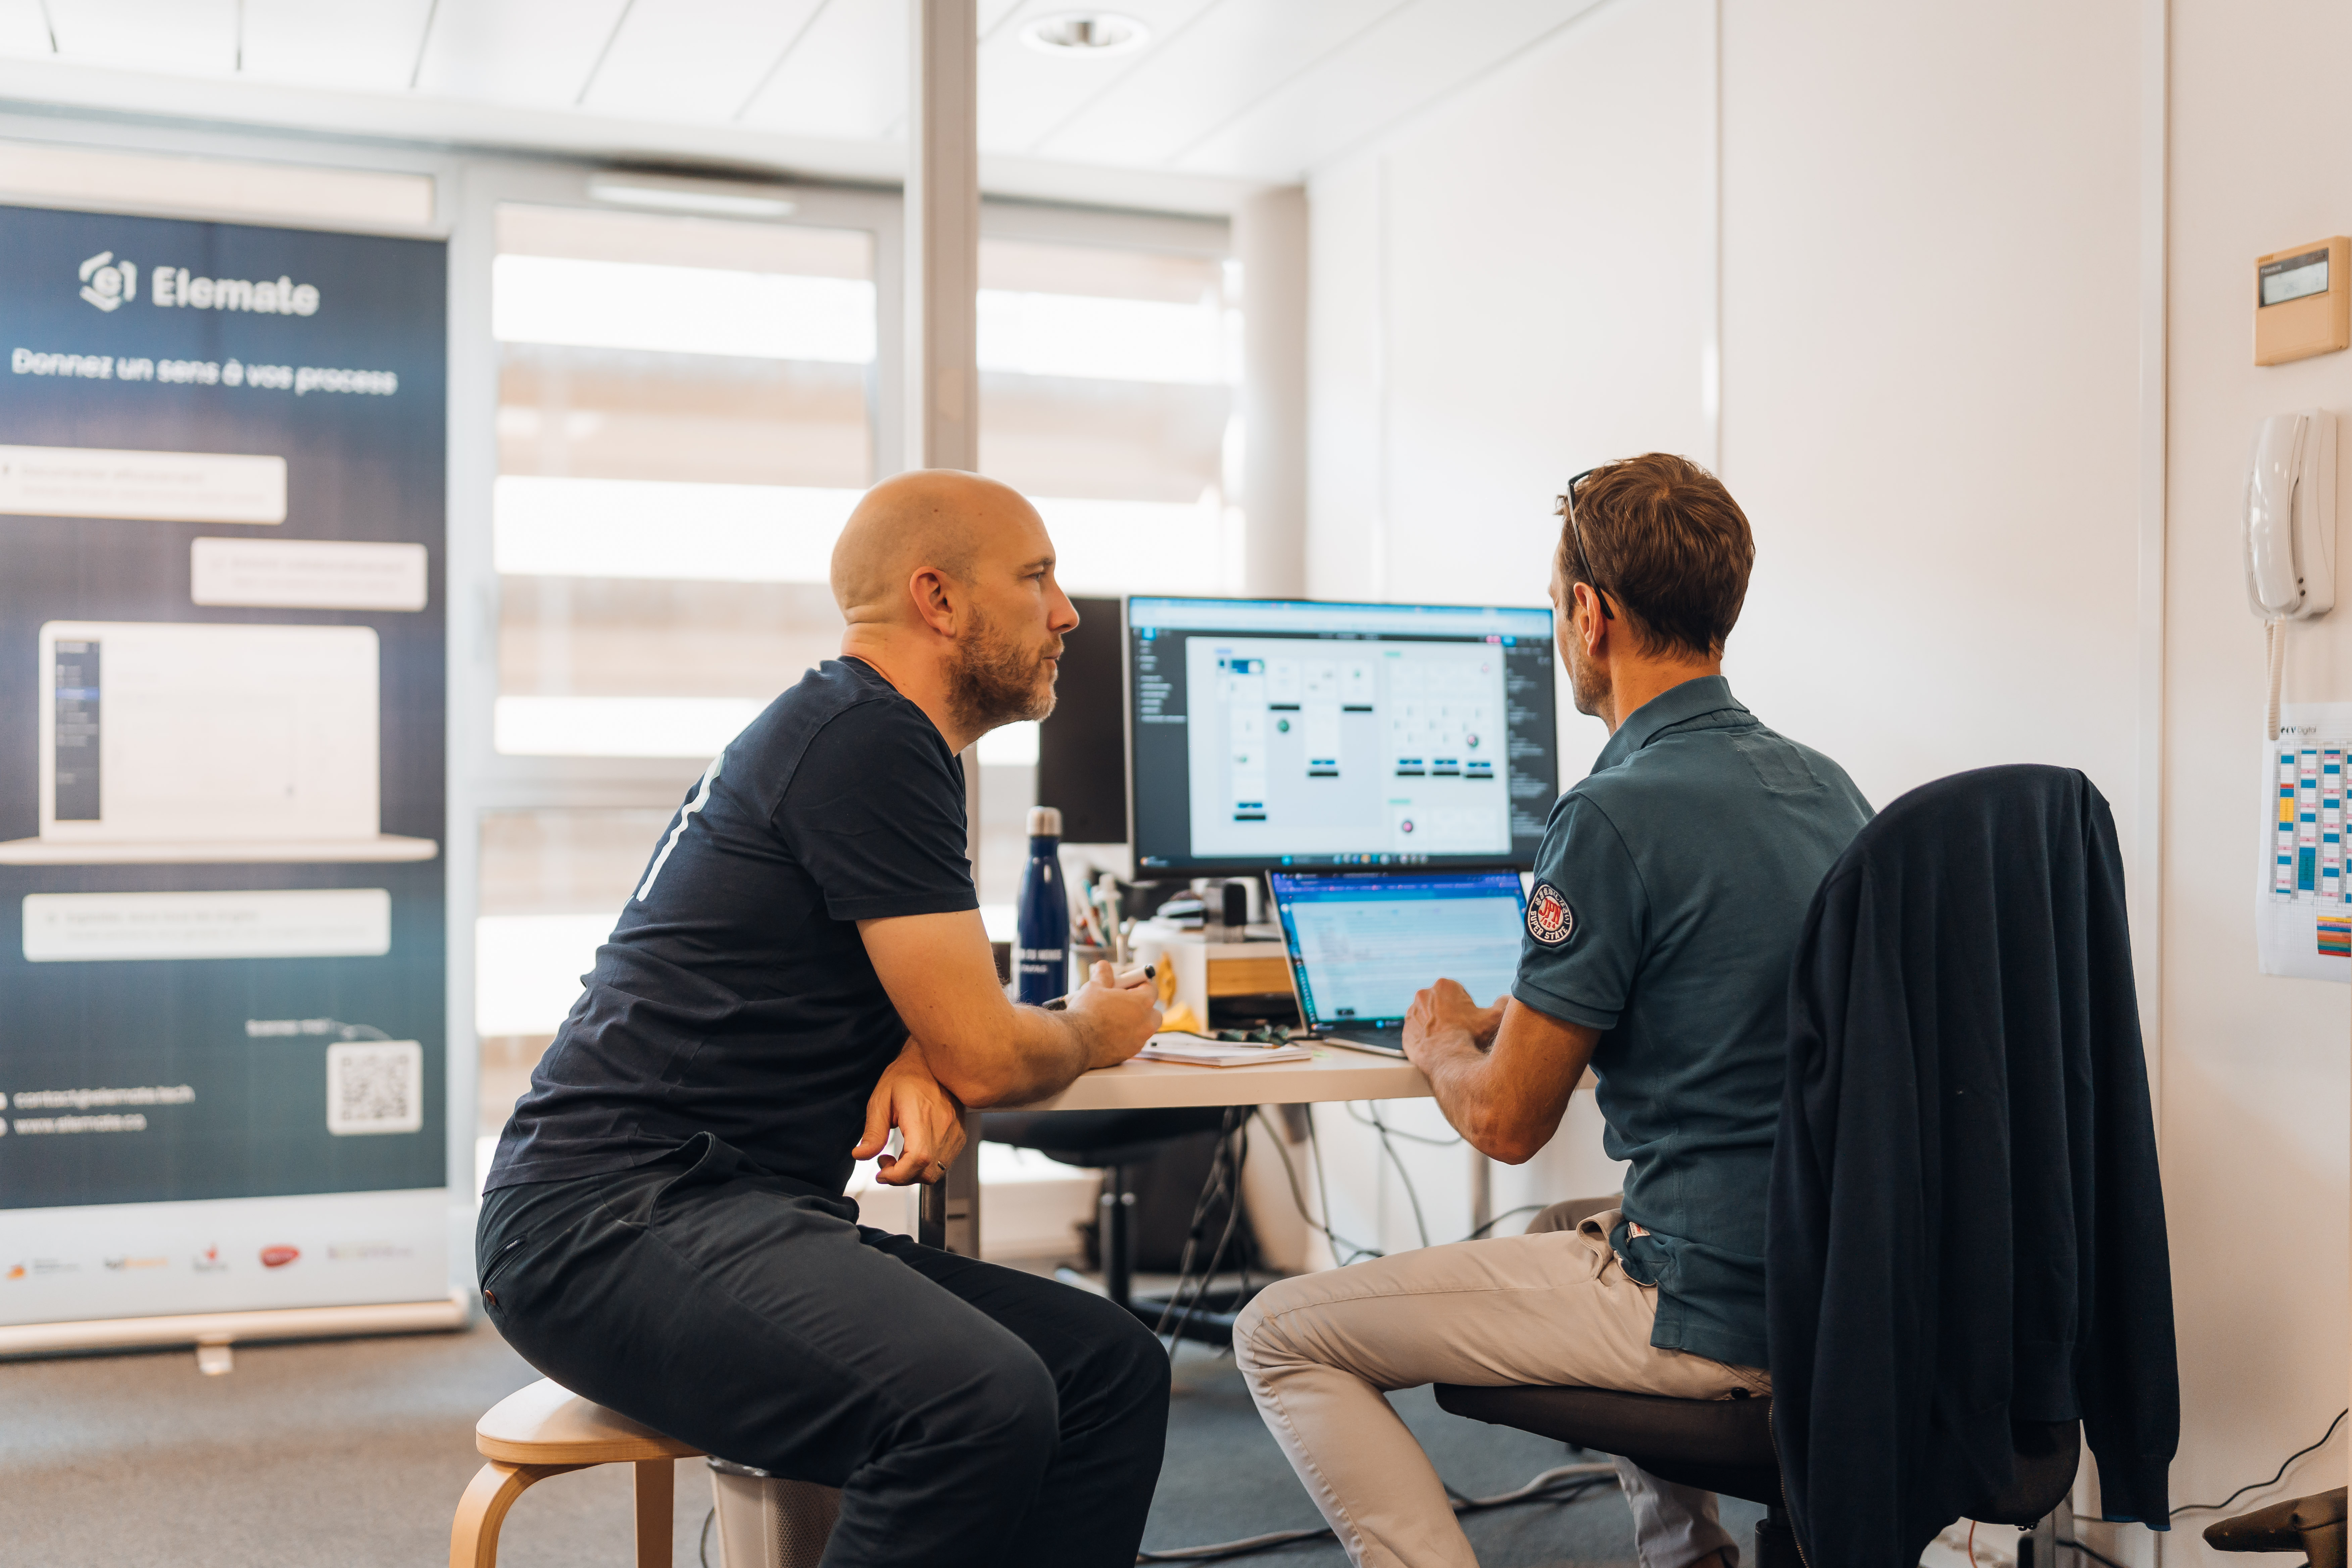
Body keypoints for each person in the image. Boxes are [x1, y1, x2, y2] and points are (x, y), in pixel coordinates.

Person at [476, 470, 1170, 1568]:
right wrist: (1093, 1025)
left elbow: (908, 982)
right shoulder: (867, 740)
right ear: (937, 599)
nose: (1066, 612)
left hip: (719, 1209)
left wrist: (913, 1044)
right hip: (605, 1222)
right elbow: (990, 1056)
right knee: (972, 1405)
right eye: (1036, 577)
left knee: (1107, 1367)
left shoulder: (864, 736)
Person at [1233, 453, 1873, 1568]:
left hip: (1702, 1304)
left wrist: (1439, 1049)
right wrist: (1526, 1014)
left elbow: (1506, 1124)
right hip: (1832, 1278)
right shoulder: (1827, 787)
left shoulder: (1614, 812)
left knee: (1277, 1333)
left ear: (1589, 612)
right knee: (1552, 1227)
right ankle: (1688, 1559)